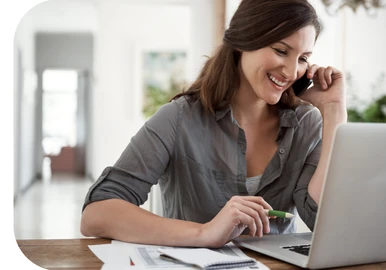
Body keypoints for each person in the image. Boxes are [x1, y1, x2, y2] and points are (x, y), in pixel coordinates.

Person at [80, 0, 347, 248]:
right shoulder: (179, 118)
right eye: (280, 51)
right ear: (244, 41)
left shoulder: (307, 123)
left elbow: (325, 222)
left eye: (302, 59)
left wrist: (334, 111)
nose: (291, 72)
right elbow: (97, 213)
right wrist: (205, 232)